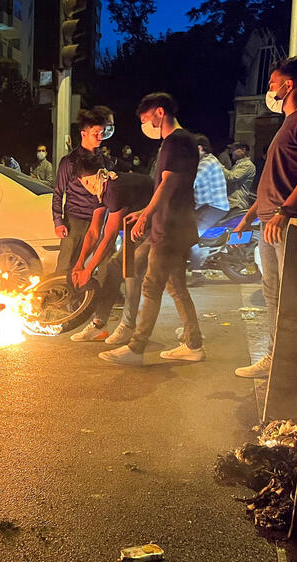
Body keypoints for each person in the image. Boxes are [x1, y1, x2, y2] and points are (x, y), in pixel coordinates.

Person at [233, 57, 297, 378]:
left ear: (288, 85)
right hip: (271, 221)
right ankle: (278, 359)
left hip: (288, 223)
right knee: (273, 293)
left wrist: (285, 211)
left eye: (273, 84)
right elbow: (275, 178)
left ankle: (295, 364)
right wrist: (250, 216)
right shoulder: (287, 124)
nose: (269, 90)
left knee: (292, 296)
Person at [99, 92, 205, 366]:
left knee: (152, 285)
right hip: (176, 224)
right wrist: (144, 212)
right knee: (176, 286)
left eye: (146, 119)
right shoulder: (183, 141)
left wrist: (146, 215)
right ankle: (193, 343)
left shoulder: (175, 141)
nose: (145, 126)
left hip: (170, 227)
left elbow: (167, 184)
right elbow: (166, 186)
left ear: (160, 113)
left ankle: (136, 348)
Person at [67, 153, 154, 344]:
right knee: (115, 267)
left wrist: (89, 270)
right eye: (83, 183)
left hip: (158, 222)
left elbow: (108, 237)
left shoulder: (114, 189)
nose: (88, 187)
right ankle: (99, 326)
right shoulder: (99, 190)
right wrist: (79, 265)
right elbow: (93, 233)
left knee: (130, 270)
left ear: (101, 174)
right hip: (135, 225)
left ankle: (128, 327)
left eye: (90, 182)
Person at [52, 107, 110, 275]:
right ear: (84, 133)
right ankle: (61, 299)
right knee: (66, 265)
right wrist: (58, 222)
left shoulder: (104, 161)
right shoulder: (69, 162)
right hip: (75, 221)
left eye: (102, 133)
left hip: (100, 221)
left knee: (100, 265)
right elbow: (58, 193)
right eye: (96, 133)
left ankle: (93, 299)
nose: (100, 138)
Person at [190, 134, 231, 271]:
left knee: (190, 235)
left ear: (200, 148)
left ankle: (197, 272)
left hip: (215, 206)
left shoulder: (207, 162)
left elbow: (192, 181)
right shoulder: (202, 161)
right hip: (205, 205)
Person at [222, 142, 256, 210]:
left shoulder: (247, 165)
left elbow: (231, 177)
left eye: (234, 150)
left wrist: (219, 166)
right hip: (232, 202)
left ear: (243, 150)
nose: (232, 152)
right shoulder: (238, 164)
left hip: (237, 203)